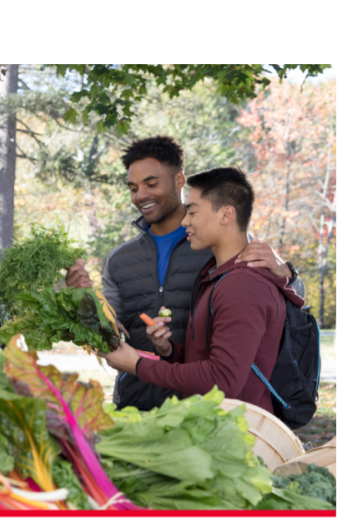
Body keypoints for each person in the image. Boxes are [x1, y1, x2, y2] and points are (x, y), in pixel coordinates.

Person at [66, 136, 303, 410]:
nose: (141, 195)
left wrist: (286, 272)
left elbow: (286, 306)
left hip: (202, 409)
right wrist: (82, 298)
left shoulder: (224, 245)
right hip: (135, 404)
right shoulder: (119, 259)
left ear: (179, 180)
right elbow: (110, 334)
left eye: (151, 184)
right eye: (133, 188)